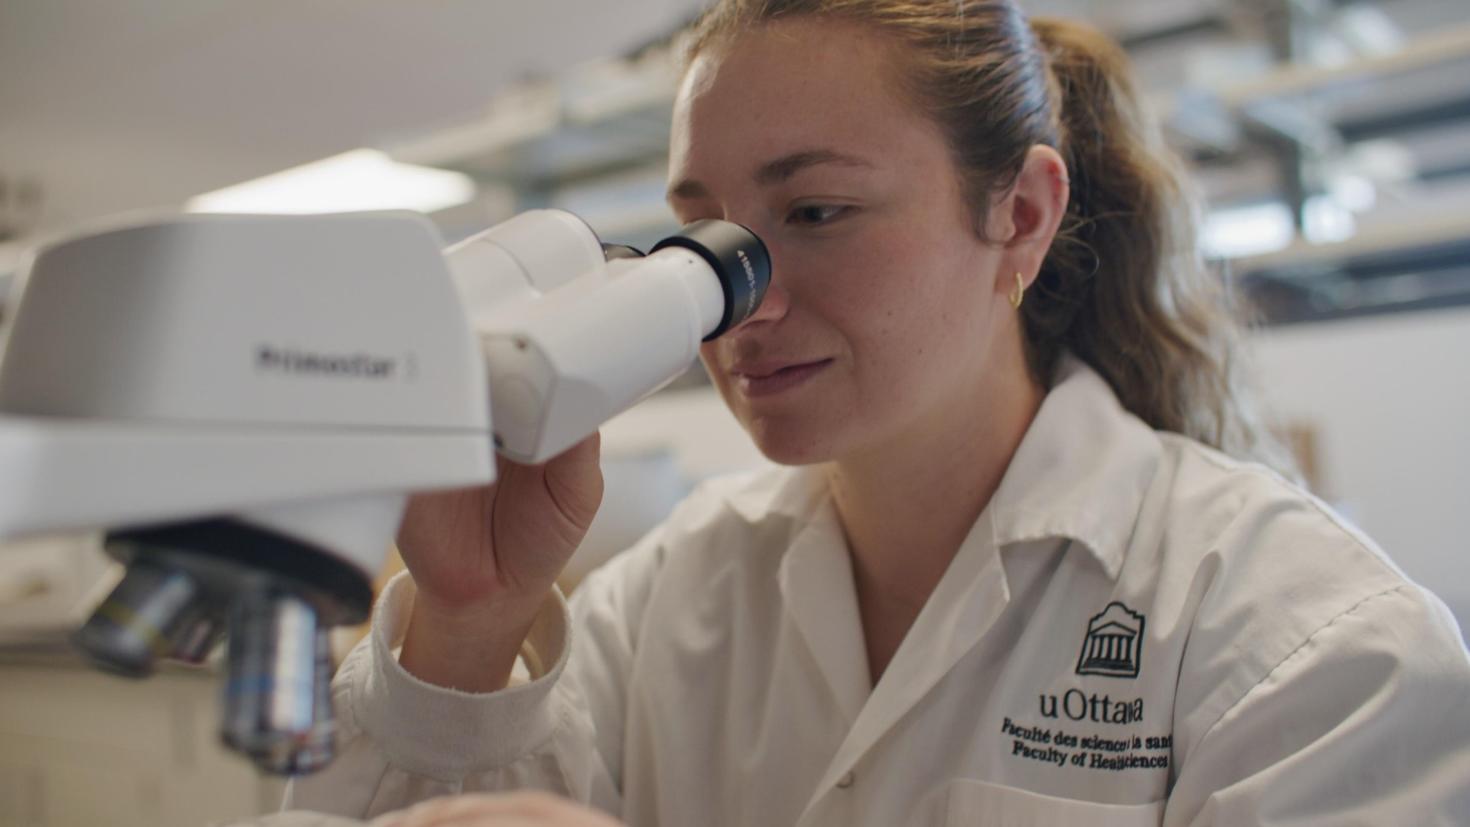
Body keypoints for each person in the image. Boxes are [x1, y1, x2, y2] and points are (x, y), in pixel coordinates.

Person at [275, 1, 1470, 824]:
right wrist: (471, 623)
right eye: (708, 242)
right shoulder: (674, 597)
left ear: (1020, 215)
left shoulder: (1309, 645)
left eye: (818, 212)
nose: (742, 303)